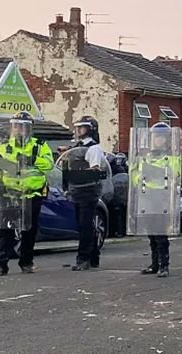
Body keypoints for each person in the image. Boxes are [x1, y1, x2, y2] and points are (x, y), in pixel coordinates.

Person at [0, 112, 54, 277]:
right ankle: (0, 265)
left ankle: (26, 262)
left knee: (29, 233)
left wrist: (31, 159)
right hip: (10, 196)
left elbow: (48, 165)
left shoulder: (39, 145)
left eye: (22, 126)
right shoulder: (4, 146)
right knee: (6, 232)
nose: (19, 129)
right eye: (16, 125)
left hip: (32, 195)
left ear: (29, 128)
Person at [132, 122, 181, 278]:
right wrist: (139, 178)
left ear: (167, 140)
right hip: (147, 197)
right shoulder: (145, 158)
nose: (157, 141)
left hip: (162, 198)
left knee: (161, 233)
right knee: (151, 233)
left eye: (161, 138)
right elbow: (135, 177)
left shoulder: (171, 158)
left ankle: (164, 265)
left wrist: (156, 172)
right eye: (155, 137)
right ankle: (154, 264)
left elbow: (175, 176)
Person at [69, 115, 107, 271]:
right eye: (77, 127)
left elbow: (94, 168)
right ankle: (93, 257)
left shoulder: (93, 148)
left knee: (85, 225)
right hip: (78, 189)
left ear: (91, 129)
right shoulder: (77, 146)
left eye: (82, 127)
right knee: (84, 225)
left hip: (89, 190)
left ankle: (83, 258)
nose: (78, 130)